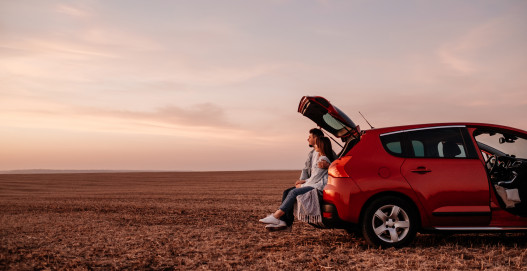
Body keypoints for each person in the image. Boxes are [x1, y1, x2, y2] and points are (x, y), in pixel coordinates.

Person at [259, 136, 334, 230]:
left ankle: (276, 217)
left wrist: (302, 185)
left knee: (293, 192)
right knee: (288, 192)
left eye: (316, 144)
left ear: (321, 145)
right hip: (316, 184)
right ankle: (282, 221)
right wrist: (304, 181)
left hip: (319, 187)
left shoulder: (323, 160)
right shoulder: (323, 158)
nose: (315, 145)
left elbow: (315, 179)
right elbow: (316, 177)